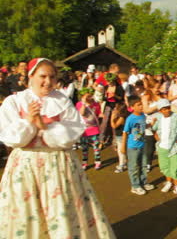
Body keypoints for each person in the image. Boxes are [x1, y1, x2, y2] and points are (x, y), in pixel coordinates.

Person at [0, 58, 115, 238]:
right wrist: (30, 121)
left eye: (52, 77)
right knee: (27, 213)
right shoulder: (14, 102)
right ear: (31, 76)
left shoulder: (62, 100)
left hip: (58, 165)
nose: (47, 81)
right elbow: (11, 138)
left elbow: (71, 135)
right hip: (26, 166)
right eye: (42, 76)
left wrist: (44, 127)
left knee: (62, 209)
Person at [152, 99, 177, 197]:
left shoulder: (176, 117)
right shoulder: (158, 118)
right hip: (162, 147)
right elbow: (154, 129)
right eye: (164, 109)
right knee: (165, 167)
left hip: (174, 147)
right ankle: (169, 182)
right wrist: (157, 139)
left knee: (175, 168)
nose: (167, 110)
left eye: (168, 108)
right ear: (160, 110)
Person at [121, 95, 155, 195]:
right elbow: (125, 132)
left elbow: (143, 127)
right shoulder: (130, 119)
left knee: (144, 165)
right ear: (132, 107)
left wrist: (151, 124)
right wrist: (123, 146)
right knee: (134, 166)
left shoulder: (143, 116)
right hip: (133, 146)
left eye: (141, 104)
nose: (141, 106)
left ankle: (143, 182)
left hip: (143, 144)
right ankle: (135, 186)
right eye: (138, 105)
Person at [76, 87, 102, 170]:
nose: (89, 97)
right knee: (84, 148)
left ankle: (97, 162)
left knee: (96, 147)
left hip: (94, 129)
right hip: (84, 130)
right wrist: (84, 103)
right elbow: (82, 113)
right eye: (87, 96)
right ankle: (85, 162)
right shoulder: (79, 104)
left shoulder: (96, 104)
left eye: (90, 96)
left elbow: (98, 114)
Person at [111, 102, 129, 173]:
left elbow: (114, 126)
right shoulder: (122, 116)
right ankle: (124, 163)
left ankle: (121, 165)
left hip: (122, 136)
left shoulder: (122, 117)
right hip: (119, 136)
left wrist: (112, 118)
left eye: (116, 108)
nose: (114, 109)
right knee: (121, 150)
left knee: (121, 151)